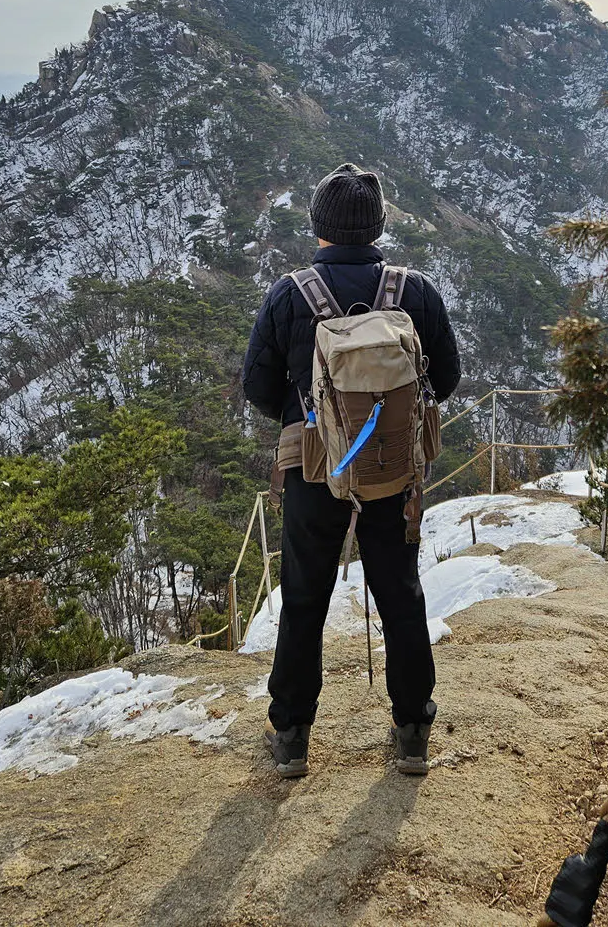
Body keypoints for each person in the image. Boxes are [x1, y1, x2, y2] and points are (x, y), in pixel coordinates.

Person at [242, 162, 461, 778]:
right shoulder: (412, 292)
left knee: (305, 594)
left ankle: (290, 735)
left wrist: (313, 412)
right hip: (393, 465)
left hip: (313, 463)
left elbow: (257, 387)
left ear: (318, 228)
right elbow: (445, 378)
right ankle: (413, 727)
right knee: (399, 590)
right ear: (379, 225)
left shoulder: (290, 294)